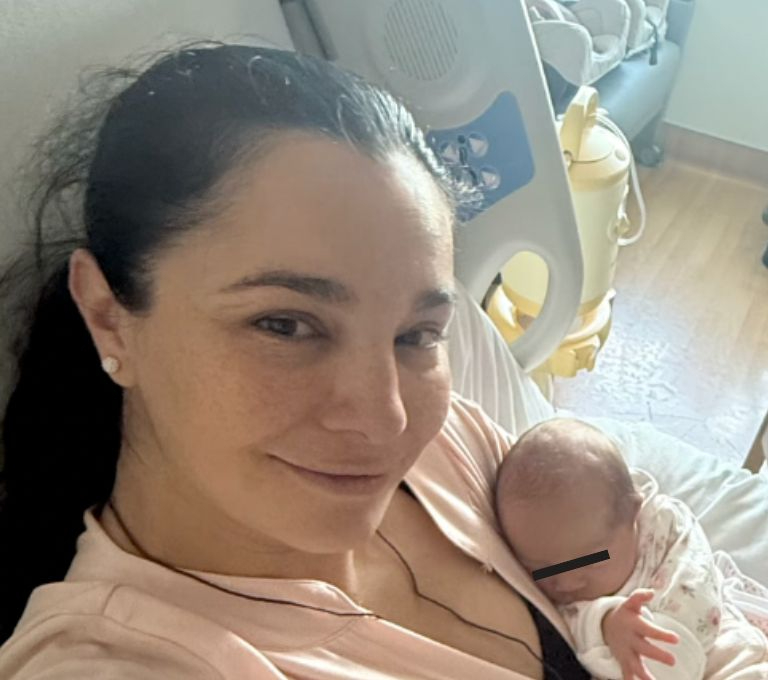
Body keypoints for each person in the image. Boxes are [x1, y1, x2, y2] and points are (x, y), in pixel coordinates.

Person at [0, 43, 595, 678]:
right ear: (107, 317)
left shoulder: (449, 448)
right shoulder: (117, 664)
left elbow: (613, 555)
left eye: (417, 334)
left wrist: (606, 601)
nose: (385, 419)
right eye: (285, 326)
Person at [495, 418, 768, 680]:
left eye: (588, 561)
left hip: (719, 651)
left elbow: (695, 584)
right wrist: (605, 620)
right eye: (541, 568)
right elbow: (570, 622)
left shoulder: (662, 528)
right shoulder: (562, 590)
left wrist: (657, 629)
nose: (566, 583)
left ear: (633, 517)